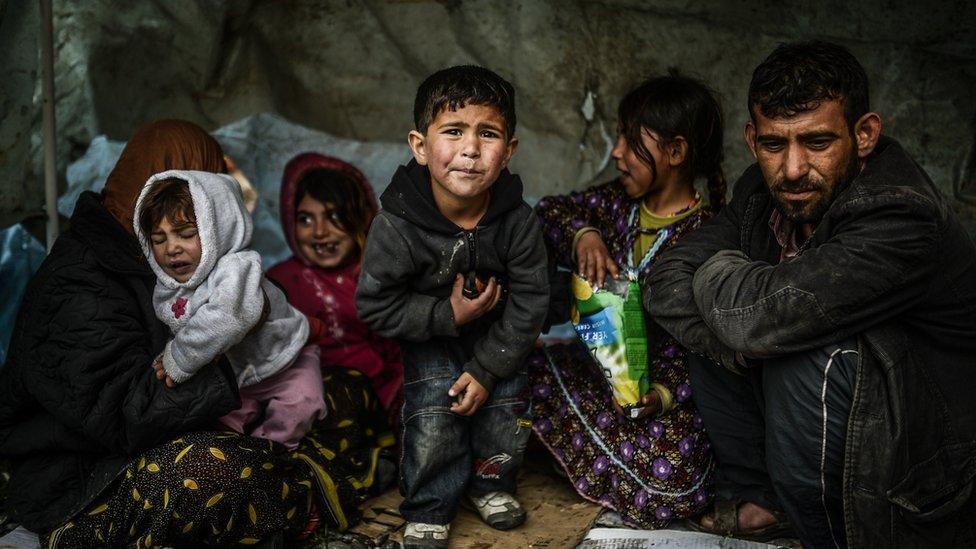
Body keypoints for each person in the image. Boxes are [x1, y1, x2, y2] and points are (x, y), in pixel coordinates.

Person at [644, 41, 976, 548]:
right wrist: (738, 334)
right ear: (752, 138)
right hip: (837, 417)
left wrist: (733, 298)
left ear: (864, 134)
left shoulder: (904, 217)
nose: (794, 169)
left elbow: (760, 317)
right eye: (775, 145)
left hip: (921, 457)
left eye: (818, 142)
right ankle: (764, 501)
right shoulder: (762, 188)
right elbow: (664, 278)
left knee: (798, 353)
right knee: (734, 330)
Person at [0, 120, 393, 547]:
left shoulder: (161, 252)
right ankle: (63, 537)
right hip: (81, 471)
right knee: (216, 470)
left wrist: (255, 335)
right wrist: (222, 359)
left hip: (182, 410)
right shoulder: (79, 281)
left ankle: (290, 489)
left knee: (345, 387)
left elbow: (242, 302)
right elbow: (125, 416)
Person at [356, 65, 549, 549]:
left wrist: (487, 369)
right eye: (453, 132)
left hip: (502, 338)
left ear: (509, 150)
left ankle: (491, 485)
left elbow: (532, 300)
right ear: (420, 146)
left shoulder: (518, 221)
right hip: (430, 336)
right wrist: (448, 316)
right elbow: (376, 308)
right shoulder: (396, 226)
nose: (470, 149)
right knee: (435, 415)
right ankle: (430, 506)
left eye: (488, 134)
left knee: (507, 410)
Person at [529, 72, 725, 528]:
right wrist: (585, 234)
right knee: (520, 371)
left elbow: (708, 348)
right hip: (595, 374)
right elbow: (549, 210)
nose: (616, 152)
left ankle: (576, 453)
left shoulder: (708, 236)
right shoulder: (618, 205)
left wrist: (660, 395)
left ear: (675, 152)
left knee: (675, 475)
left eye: (631, 141)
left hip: (658, 396)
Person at [134, 170, 324, 450]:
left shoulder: (237, 267)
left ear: (218, 230)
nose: (171, 248)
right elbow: (182, 328)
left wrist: (179, 358)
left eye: (185, 234)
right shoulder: (169, 287)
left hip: (285, 360)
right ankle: (242, 460)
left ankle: (273, 455)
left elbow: (229, 317)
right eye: (158, 239)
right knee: (220, 431)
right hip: (238, 378)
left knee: (301, 404)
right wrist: (168, 356)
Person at [268, 153, 403, 423]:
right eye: (305, 219)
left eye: (333, 216)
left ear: (361, 218)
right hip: (312, 403)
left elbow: (402, 351)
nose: (319, 232)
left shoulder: (382, 274)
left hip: (390, 396)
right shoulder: (279, 282)